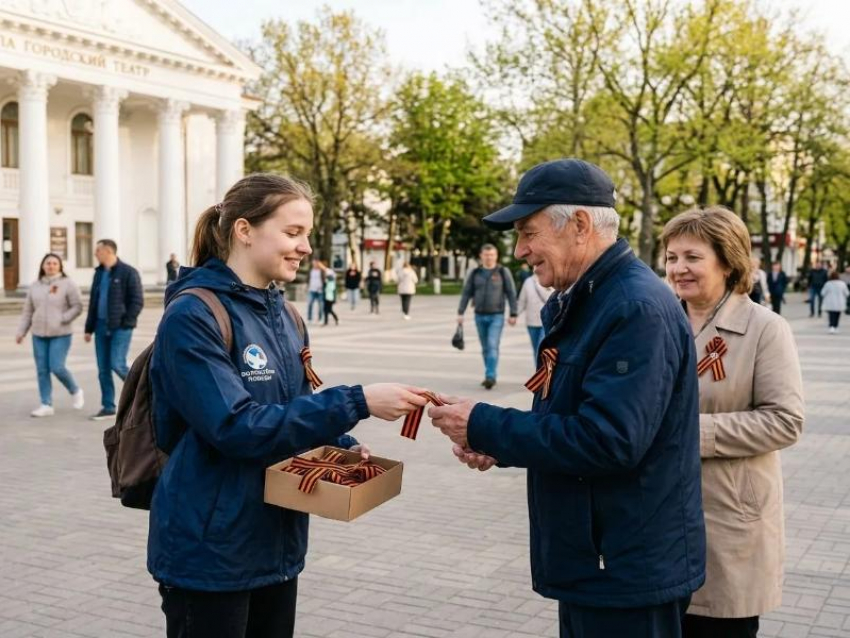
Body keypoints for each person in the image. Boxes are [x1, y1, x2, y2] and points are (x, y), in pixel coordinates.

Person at [429, 158, 706, 638]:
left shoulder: (633, 307)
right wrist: (494, 440)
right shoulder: (594, 297)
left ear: (579, 225)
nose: (520, 250)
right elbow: (573, 420)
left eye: (528, 232)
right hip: (600, 560)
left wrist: (485, 424)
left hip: (624, 568)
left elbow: (608, 440)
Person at [148, 173, 428, 638]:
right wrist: (357, 400)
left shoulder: (286, 314)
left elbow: (289, 407)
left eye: (307, 235)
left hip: (275, 541)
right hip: (210, 550)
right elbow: (236, 426)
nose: (305, 247)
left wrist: (340, 443)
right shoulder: (193, 315)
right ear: (244, 230)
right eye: (292, 232)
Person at [662, 206, 804, 638]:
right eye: (670, 257)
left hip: (730, 519)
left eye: (692, 257)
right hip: (660, 518)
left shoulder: (766, 329)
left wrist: (690, 434)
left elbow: (785, 421)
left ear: (727, 261)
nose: (678, 268)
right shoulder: (658, 322)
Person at [15, 253, 85, 417]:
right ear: (43, 266)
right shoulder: (35, 286)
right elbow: (28, 311)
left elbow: (77, 306)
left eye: (54, 263)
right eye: (48, 263)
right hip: (38, 333)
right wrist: (21, 332)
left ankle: (75, 390)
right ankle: (46, 404)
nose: (51, 266)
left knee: (57, 367)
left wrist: (63, 318)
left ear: (60, 266)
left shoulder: (68, 284)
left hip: (61, 333)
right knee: (42, 370)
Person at [83, 239, 143, 421]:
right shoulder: (99, 273)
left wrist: (127, 322)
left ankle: (144, 392)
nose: (95, 254)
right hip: (101, 327)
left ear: (108, 251)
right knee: (103, 369)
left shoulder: (128, 272)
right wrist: (89, 328)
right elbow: (94, 302)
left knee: (117, 363)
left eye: (98, 251)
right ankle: (108, 406)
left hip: (120, 327)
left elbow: (137, 300)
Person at [457, 244, 519, 389]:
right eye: (486, 254)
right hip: (479, 315)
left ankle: (490, 376)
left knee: (492, 345)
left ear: (496, 256)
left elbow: (511, 293)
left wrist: (513, 313)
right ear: (481, 256)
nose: (489, 257)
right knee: (485, 348)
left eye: (492, 255)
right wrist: (460, 312)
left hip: (497, 315)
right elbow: (466, 293)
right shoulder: (475, 273)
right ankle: (489, 373)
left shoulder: (503, 272)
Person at [516, 272, 552, 362]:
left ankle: (543, 371)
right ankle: (538, 371)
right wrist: (514, 314)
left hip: (546, 321)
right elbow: (522, 300)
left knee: (541, 347)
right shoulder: (528, 281)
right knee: (536, 349)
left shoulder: (551, 279)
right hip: (531, 321)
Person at [306, 259, 325, 323]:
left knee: (321, 305)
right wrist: (308, 287)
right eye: (313, 263)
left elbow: (324, 279)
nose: (314, 264)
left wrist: (323, 287)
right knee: (310, 304)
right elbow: (308, 279)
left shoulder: (321, 271)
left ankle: (320, 318)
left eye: (315, 263)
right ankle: (309, 318)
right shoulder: (310, 271)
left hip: (320, 290)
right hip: (312, 290)